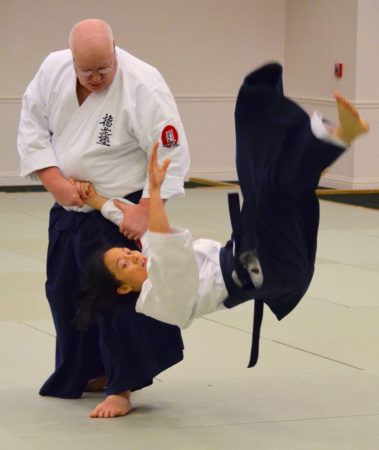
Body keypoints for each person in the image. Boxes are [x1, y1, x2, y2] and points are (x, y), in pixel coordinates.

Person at [74, 64, 369, 405]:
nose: (132, 255)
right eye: (125, 264)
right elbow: (170, 251)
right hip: (266, 269)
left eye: (125, 253)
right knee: (270, 188)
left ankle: (316, 146)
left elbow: (131, 222)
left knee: (261, 170)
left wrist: (93, 198)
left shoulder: (147, 262)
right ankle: (327, 147)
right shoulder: (159, 301)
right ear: (124, 287)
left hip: (255, 254)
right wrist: (153, 193)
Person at [17, 19, 190, 418]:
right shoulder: (51, 69)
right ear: (71, 59)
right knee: (64, 294)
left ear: (116, 48)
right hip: (69, 205)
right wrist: (52, 179)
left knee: (117, 299)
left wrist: (147, 209)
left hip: (119, 207)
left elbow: (169, 148)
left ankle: (121, 386)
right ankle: (88, 372)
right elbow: (31, 127)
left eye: (104, 68)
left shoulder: (144, 84)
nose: (95, 77)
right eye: (86, 70)